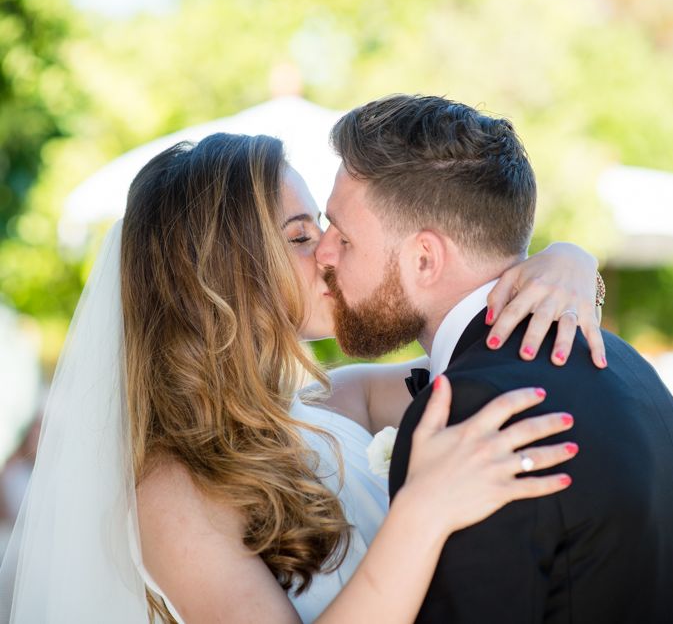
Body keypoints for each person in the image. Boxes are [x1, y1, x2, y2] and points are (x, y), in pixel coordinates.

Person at [0, 132, 599, 624]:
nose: (331, 253)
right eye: (299, 236)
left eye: (326, 230)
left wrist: (570, 264)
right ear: (223, 272)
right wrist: (424, 511)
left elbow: (478, 358)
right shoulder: (172, 490)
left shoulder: (342, 399)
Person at [317, 94, 673, 623]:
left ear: (424, 259)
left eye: (343, 237)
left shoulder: (469, 413)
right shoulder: (630, 368)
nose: (323, 253)